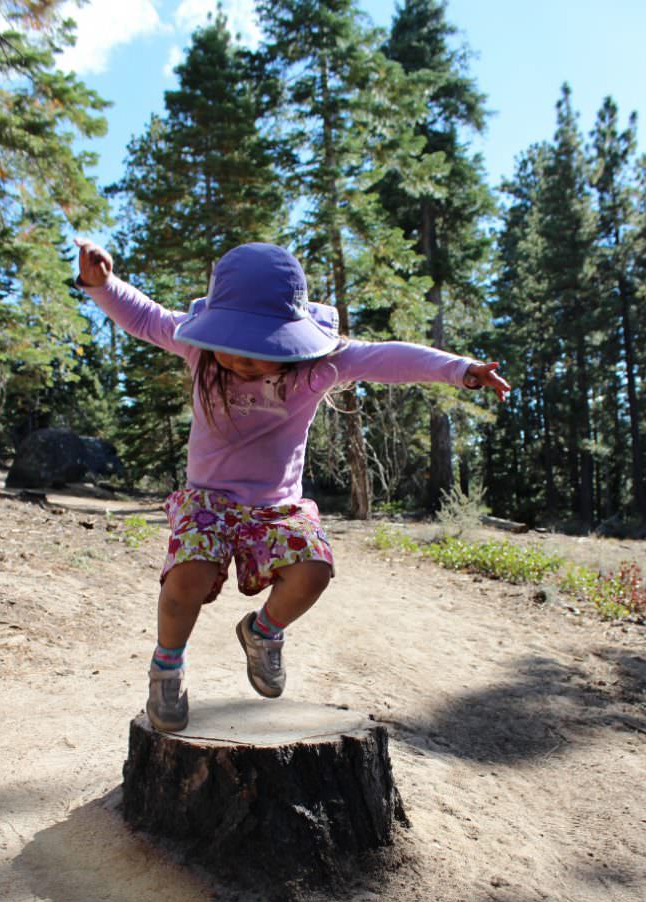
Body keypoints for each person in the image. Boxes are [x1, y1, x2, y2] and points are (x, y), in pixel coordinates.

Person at [75, 239, 509, 732]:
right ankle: (167, 668)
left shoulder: (320, 365)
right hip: (207, 500)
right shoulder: (197, 347)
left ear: (290, 340)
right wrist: (101, 283)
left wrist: (460, 370)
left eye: (259, 350)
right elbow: (145, 317)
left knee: (314, 571)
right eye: (233, 345)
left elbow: (387, 358)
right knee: (184, 581)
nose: (241, 361)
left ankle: (263, 632)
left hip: (278, 505)